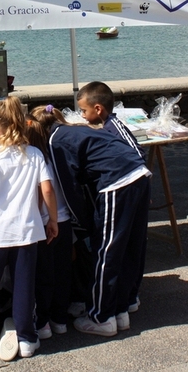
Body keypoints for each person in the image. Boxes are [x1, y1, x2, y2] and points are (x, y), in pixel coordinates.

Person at [29, 104, 150, 338]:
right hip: (139, 174)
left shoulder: (55, 142)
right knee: (129, 247)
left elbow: (69, 188)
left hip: (116, 182)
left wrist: (84, 224)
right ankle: (121, 308)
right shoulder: (75, 130)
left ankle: (101, 317)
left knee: (107, 251)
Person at [0, 96, 58, 361]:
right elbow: (47, 190)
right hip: (27, 231)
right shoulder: (35, 154)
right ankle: (27, 338)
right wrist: (51, 220)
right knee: (25, 286)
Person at [76, 81, 145, 311]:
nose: (83, 116)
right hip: (132, 188)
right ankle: (127, 297)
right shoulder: (106, 127)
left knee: (123, 246)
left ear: (98, 109)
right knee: (129, 245)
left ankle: (124, 297)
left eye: (84, 111)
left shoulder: (115, 127)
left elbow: (137, 155)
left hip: (127, 189)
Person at [26, 112, 72, 338]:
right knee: (62, 273)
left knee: (43, 275)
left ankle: (42, 321)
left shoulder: (34, 161)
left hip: (46, 224)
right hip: (64, 221)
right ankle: (60, 318)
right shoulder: (55, 158)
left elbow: (44, 192)